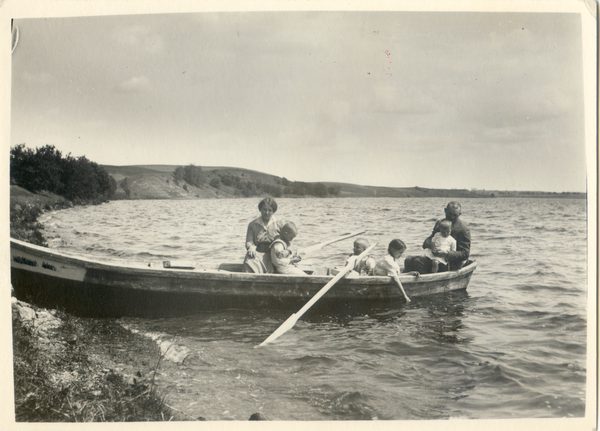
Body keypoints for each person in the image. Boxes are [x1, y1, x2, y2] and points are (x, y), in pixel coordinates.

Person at [405, 201, 471, 274]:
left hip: (449, 262)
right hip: (435, 257)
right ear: (445, 211)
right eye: (450, 214)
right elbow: (430, 238)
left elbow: (465, 254)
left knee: (418, 262)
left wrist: (446, 254)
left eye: (455, 215)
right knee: (408, 260)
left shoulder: (464, 229)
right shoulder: (440, 223)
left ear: (459, 214)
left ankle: (426, 283)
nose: (452, 217)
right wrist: (430, 245)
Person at [243, 197, 285, 273]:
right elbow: (249, 241)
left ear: (273, 211)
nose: (267, 212)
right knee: (248, 259)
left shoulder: (279, 224)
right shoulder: (253, 224)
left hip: (274, 255)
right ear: (260, 209)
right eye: (264, 209)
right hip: (258, 254)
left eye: (270, 210)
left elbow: (286, 241)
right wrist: (251, 247)